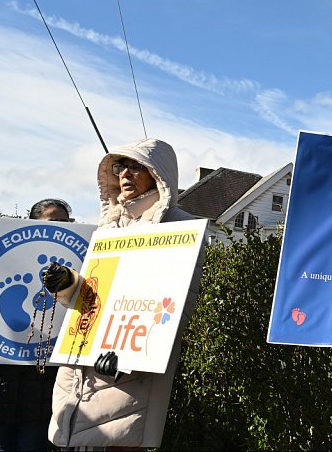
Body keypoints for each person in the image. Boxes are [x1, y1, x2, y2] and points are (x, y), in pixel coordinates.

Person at [41, 138, 200, 449]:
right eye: (120, 166)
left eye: (135, 166)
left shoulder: (181, 226)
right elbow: (95, 291)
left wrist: (130, 356)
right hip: (80, 362)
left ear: (158, 173)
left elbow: (179, 303)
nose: (124, 173)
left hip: (130, 376)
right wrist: (68, 285)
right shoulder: (106, 229)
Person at [0, 198, 73, 452]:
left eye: (66, 222)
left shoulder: (76, 268)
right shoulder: (4, 262)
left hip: (44, 379)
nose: (61, 227)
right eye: (54, 222)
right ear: (33, 223)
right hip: (2, 378)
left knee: (33, 443)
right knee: (2, 445)